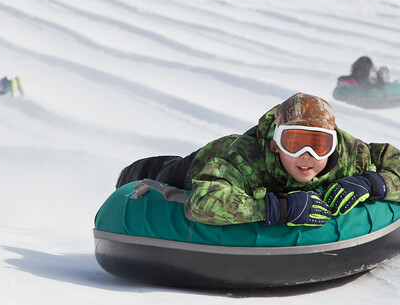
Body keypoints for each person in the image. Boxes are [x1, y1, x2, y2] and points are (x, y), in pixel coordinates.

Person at [116, 93, 399, 227]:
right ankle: (133, 171)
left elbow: (393, 161)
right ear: (276, 143)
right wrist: (277, 208)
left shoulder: (352, 155)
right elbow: (203, 202)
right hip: (206, 162)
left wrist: (373, 182)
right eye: (295, 143)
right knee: (167, 171)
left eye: (319, 145)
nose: (307, 157)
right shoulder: (244, 158)